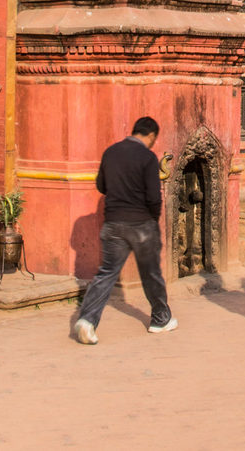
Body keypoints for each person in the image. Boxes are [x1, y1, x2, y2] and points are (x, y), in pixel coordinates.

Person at [72, 117, 175, 345]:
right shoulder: (147, 157)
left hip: (113, 223)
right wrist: (153, 220)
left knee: (107, 273)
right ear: (151, 136)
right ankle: (160, 318)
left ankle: (87, 320)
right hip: (141, 223)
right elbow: (153, 197)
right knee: (151, 273)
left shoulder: (111, 152)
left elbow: (101, 185)